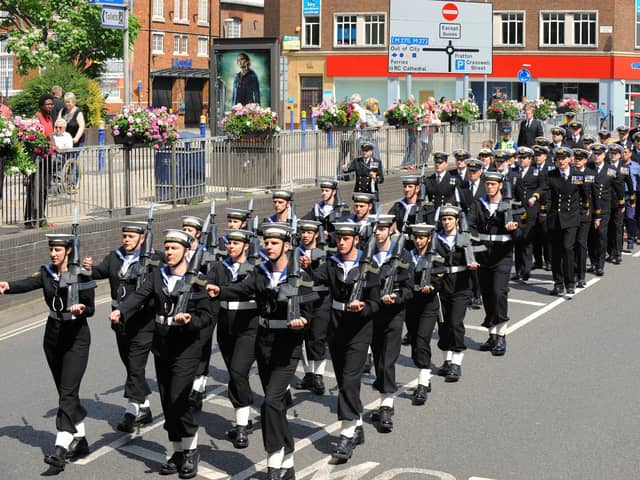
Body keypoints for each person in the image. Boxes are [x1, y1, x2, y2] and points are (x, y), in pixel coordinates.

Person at [207, 223, 315, 480]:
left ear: (287, 245)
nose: (268, 246)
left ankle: (273, 463)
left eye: (274, 243)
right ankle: (288, 461)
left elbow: (310, 312)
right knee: (276, 407)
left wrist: (303, 322)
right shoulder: (260, 272)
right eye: (266, 242)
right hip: (265, 345)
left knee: (270, 403)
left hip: (287, 348)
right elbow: (243, 289)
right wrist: (220, 290)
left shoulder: (301, 276)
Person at [110, 229, 213, 479]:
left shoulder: (198, 280)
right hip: (163, 344)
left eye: (174, 249)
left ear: (186, 251)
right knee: (167, 400)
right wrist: (121, 311)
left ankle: (190, 451)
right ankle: (177, 451)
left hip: (187, 346)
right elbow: (139, 296)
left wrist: (190, 320)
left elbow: (208, 315)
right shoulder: (158, 276)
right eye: (167, 248)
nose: (168, 253)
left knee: (179, 398)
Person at [0, 234, 96, 471]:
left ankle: (60, 448)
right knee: (67, 393)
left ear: (68, 252)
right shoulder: (47, 273)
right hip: (53, 337)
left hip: (76, 337)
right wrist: (8, 286)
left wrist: (82, 308)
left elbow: (91, 307)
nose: (53, 254)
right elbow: (29, 283)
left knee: (66, 393)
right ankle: (81, 440)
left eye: (58, 250)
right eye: (51, 249)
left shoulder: (82, 274)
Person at [308, 222, 380, 462]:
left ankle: (346, 436)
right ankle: (357, 423)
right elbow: (314, 280)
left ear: (356, 241)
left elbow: (376, 303)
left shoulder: (369, 267)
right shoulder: (331, 264)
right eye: (338, 238)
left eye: (346, 238)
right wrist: (307, 268)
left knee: (350, 381)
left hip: (359, 330)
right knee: (343, 381)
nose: (341, 242)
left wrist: (364, 307)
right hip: (336, 328)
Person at [82, 221, 156, 433]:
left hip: (142, 320)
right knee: (129, 363)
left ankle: (132, 411)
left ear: (142, 238)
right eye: (124, 236)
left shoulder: (151, 259)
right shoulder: (115, 257)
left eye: (131, 237)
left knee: (135, 364)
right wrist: (88, 268)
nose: (126, 240)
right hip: (120, 321)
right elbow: (98, 272)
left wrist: (153, 260)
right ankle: (145, 407)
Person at [206, 228, 260, 449]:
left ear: (246, 245)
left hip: (249, 326)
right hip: (226, 325)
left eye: (236, 244)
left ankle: (240, 427)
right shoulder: (219, 267)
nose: (231, 246)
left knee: (239, 372)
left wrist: (223, 290)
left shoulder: (256, 269)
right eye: (229, 243)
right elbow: (207, 284)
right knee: (234, 374)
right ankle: (243, 417)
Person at [369, 214, 414, 432]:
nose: (378, 232)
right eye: (375, 228)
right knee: (378, 358)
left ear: (390, 230)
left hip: (393, 313)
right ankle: (383, 397)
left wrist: (396, 297)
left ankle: (387, 406)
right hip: (372, 314)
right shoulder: (366, 254)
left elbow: (409, 287)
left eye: (382, 228)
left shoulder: (401, 254)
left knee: (387, 359)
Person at [467, 172, 520, 356]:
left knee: (499, 293)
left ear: (500, 186)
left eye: (493, 184)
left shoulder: (510, 205)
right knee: (487, 294)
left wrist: (514, 228)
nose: (489, 187)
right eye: (487, 184)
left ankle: (502, 334)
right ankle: (491, 334)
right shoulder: (478, 203)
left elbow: (520, 235)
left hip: (502, 254)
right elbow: (469, 225)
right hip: (483, 254)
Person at [433, 205, 476, 379]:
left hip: (461, 286)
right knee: (443, 324)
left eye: (450, 219)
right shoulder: (436, 239)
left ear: (457, 221)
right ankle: (447, 359)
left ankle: (456, 362)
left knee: (455, 322)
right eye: (444, 219)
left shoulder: (465, 238)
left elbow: (475, 257)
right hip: (441, 287)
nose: (447, 222)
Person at [545, 147, 590, 294]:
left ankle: (570, 282)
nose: (561, 161)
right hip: (555, 218)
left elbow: (584, 194)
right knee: (556, 252)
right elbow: (545, 190)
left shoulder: (577, 175)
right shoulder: (551, 175)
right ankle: (558, 283)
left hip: (571, 218)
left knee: (567, 248)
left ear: (569, 159)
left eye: (563, 158)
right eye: (558, 159)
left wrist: (585, 209)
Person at [405, 223, 441, 404]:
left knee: (422, 339)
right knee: (414, 341)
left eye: (422, 238)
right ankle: (425, 376)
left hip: (428, 305)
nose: (418, 241)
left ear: (429, 239)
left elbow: (440, 278)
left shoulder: (435, 257)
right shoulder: (406, 256)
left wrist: (432, 286)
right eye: (416, 237)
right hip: (411, 304)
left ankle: (422, 383)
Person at [295, 220, 331, 395]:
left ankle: (319, 375)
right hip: (302, 298)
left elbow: (323, 277)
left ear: (316, 234)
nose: (305, 235)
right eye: (303, 232)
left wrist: (310, 266)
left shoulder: (325, 253)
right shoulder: (295, 252)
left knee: (318, 338)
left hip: (320, 298)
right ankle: (308, 374)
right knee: (303, 339)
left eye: (309, 232)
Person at [25, 94, 55, 228]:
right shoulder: (36, 118)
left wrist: (54, 145)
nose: (50, 106)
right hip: (36, 158)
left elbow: (50, 136)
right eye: (48, 104)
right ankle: (31, 218)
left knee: (43, 189)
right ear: (41, 105)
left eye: (51, 104)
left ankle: (41, 216)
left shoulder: (50, 118)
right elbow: (32, 138)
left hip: (46, 158)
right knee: (33, 189)